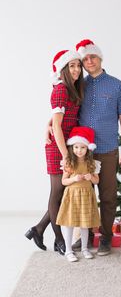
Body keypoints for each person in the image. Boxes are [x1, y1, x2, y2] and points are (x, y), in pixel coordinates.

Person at [72, 39, 121, 255]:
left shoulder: (117, 86)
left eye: (92, 57)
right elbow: (66, 110)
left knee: (108, 196)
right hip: (83, 152)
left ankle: (106, 237)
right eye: (85, 59)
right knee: (84, 194)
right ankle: (85, 237)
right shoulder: (80, 85)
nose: (89, 61)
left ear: (100, 58)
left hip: (108, 150)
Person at [25, 49, 84, 255]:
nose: (76, 70)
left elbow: (60, 121)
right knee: (57, 193)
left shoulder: (73, 89)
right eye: (72, 66)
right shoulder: (60, 90)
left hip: (67, 146)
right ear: (63, 69)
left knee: (62, 192)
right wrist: (65, 155)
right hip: (58, 148)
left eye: (78, 65)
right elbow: (57, 127)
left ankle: (38, 229)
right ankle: (59, 240)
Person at [56, 126, 100, 262]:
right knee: (69, 223)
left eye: (82, 147)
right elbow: (64, 181)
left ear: (88, 149)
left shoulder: (91, 163)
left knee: (84, 224)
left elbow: (96, 180)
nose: (79, 150)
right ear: (72, 147)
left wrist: (90, 178)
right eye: (76, 147)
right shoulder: (69, 163)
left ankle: (84, 248)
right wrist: (74, 179)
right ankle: (69, 250)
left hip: (86, 195)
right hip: (72, 196)